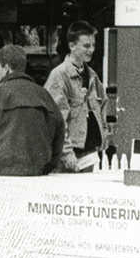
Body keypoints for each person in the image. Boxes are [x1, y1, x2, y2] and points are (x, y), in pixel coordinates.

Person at [0, 45, 64, 178]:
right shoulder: (43, 95)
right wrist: (48, 166)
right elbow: (59, 131)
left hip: (1, 173)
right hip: (37, 173)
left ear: (6, 68)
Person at [45, 20, 108, 172]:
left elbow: (103, 105)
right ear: (72, 46)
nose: (91, 50)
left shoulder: (92, 76)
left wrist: (104, 135)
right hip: (69, 156)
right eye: (86, 46)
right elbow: (57, 118)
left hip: (90, 152)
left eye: (93, 45)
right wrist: (66, 153)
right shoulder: (59, 76)